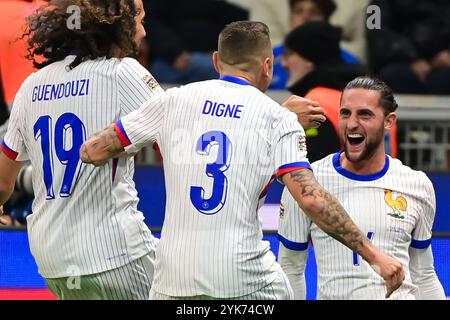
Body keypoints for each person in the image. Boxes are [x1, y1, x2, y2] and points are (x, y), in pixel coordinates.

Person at [81, 21, 405, 300]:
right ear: (267, 66)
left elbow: (93, 151)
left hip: (172, 282)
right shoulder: (277, 119)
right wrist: (374, 255)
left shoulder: (173, 100)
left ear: (217, 60)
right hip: (245, 281)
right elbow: (312, 200)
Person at [0, 0, 161, 300]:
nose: (144, 30)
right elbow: (179, 135)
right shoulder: (124, 73)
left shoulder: (31, 86)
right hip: (117, 254)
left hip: (52, 261)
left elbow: (1, 183)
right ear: (118, 24)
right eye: (139, 19)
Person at [278, 76, 446, 300]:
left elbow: (424, 274)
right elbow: (291, 269)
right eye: (345, 113)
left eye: (365, 114)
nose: (352, 123)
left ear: (389, 121)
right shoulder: (306, 183)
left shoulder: (417, 184)